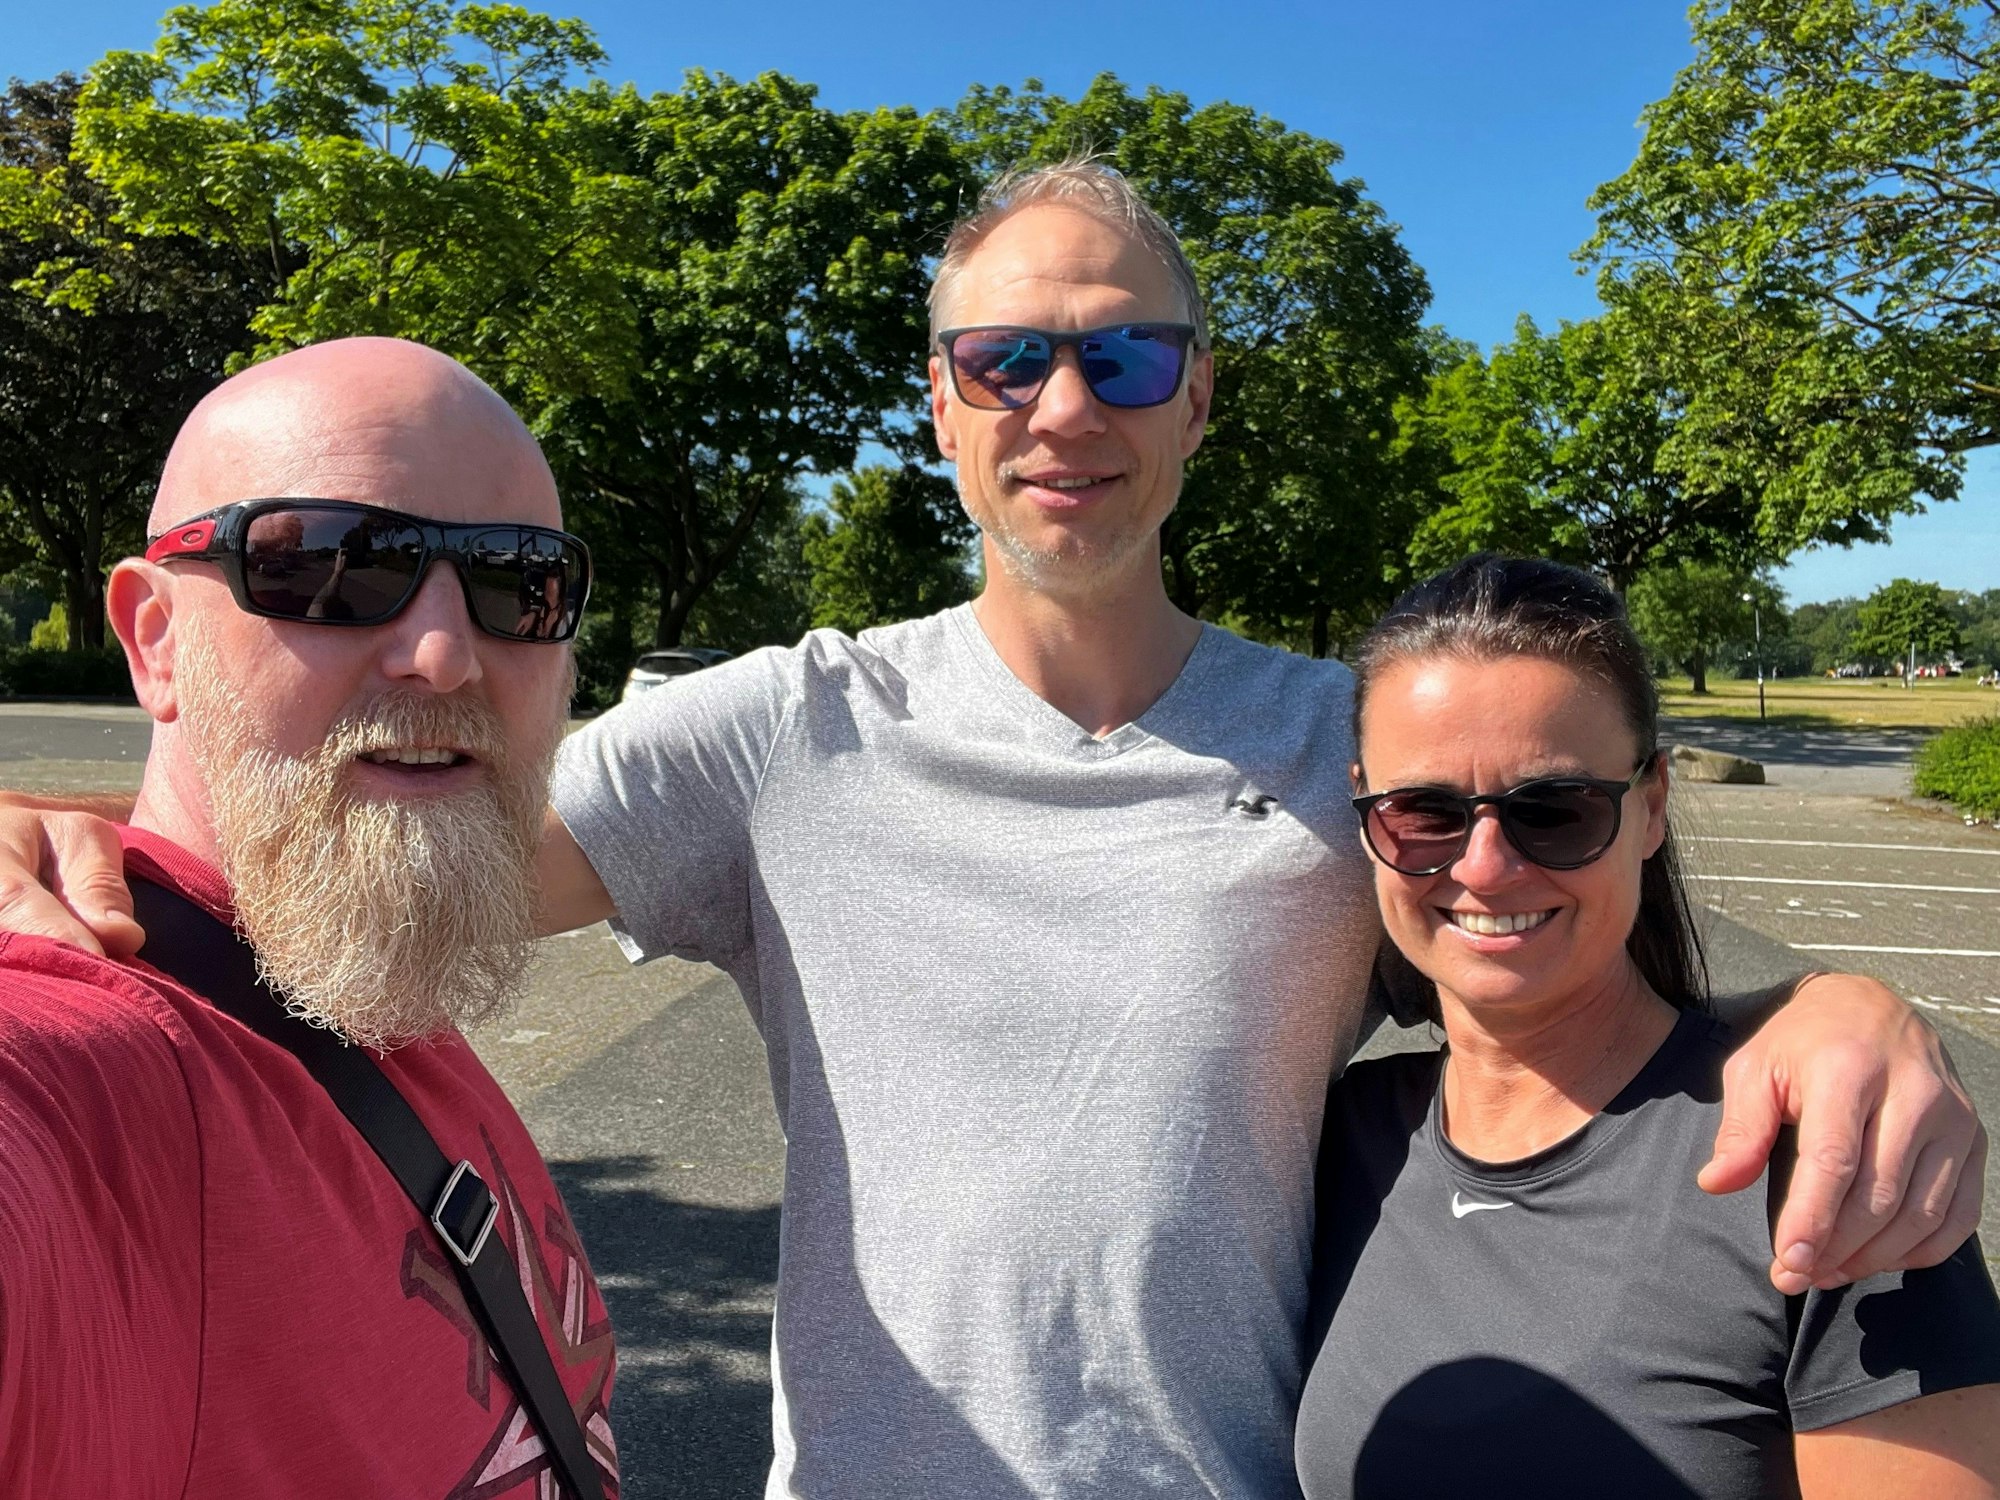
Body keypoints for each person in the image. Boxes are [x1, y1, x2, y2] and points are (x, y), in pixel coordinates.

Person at [0, 164, 1985, 1497]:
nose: (1065, 403)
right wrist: (59, 840)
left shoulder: (1342, 753)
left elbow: (1569, 999)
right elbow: (363, 852)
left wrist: (1833, 1012)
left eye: (1125, 355)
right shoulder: (776, 734)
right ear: (940, 410)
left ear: (1198, 401)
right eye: (1004, 358)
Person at [0, 339, 621, 1498]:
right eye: (332, 564)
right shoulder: (99, 1060)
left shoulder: (349, 958)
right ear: (153, 638)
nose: (445, 654)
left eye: (516, 582)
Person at [1299, 554, 2000, 1498]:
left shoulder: (1830, 1157)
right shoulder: (1337, 1138)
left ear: (1652, 806)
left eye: (1555, 810)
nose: (1487, 867)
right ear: (1366, 817)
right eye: (1422, 812)